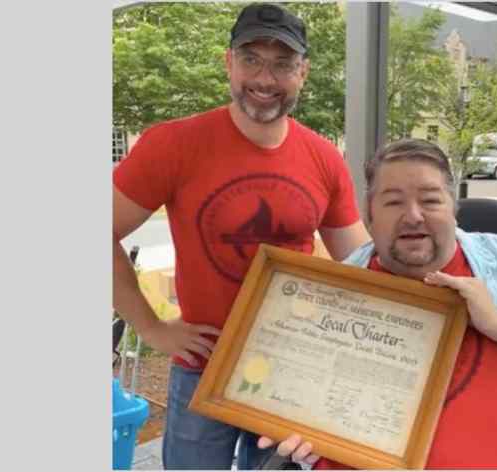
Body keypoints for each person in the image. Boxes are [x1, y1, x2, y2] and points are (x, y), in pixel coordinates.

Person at [112, 3, 370, 469]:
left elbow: (362, 265)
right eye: (251, 59)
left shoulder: (325, 159)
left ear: (303, 72)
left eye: (283, 63)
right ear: (228, 62)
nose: (265, 79)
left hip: (290, 370)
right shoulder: (173, 144)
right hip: (202, 366)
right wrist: (151, 328)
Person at [261, 138, 497, 469]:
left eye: (430, 200)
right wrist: (295, 426)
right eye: (394, 202)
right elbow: (304, 401)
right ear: (369, 216)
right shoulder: (333, 293)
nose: (413, 216)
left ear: (453, 209)